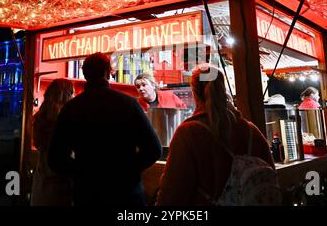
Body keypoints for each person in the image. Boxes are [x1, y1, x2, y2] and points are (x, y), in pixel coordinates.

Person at [48, 52, 162, 206]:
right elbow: (154, 149)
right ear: (108, 72)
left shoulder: (71, 108)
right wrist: (126, 170)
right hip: (126, 194)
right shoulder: (128, 104)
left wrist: (84, 173)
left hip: (88, 195)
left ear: (84, 73)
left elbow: (55, 158)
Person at [156, 64, 274, 205]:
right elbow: (271, 176)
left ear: (194, 92)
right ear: (223, 88)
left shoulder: (188, 133)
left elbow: (171, 195)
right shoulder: (251, 131)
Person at [30, 78, 75, 206]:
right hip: (59, 186)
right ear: (66, 95)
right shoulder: (65, 119)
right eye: (72, 93)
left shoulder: (41, 117)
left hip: (41, 183)